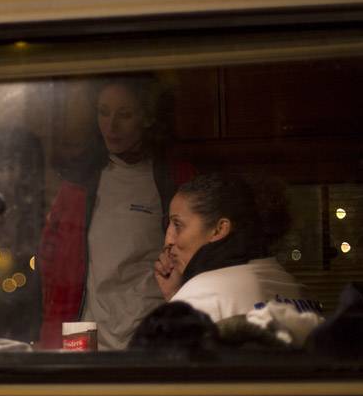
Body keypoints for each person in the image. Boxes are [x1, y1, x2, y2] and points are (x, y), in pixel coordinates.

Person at [38, 75, 193, 350]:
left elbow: (193, 258)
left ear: (147, 118)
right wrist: (50, 337)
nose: (112, 125)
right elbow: (53, 267)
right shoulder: (79, 183)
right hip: (83, 329)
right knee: (83, 393)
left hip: (148, 332)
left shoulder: (173, 179)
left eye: (125, 114)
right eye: (104, 113)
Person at [154, 173, 311, 322]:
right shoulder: (292, 285)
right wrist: (175, 294)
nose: (168, 240)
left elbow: (171, 349)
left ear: (220, 229)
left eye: (177, 225)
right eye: (168, 225)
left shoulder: (203, 294)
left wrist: (182, 300)